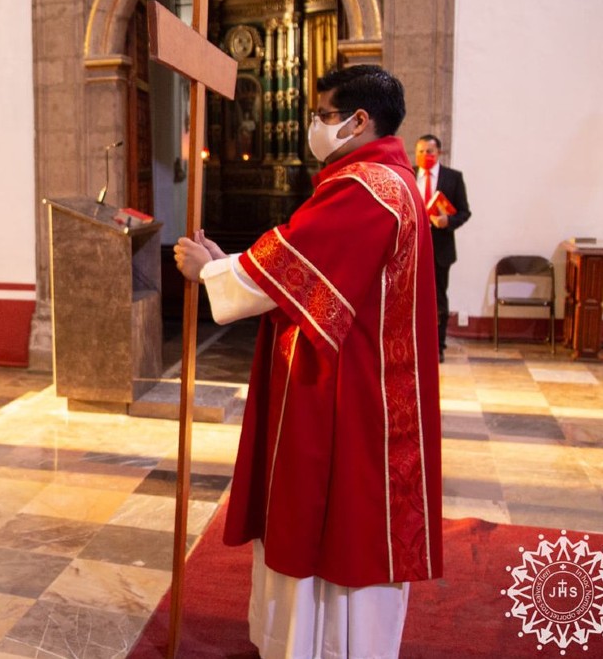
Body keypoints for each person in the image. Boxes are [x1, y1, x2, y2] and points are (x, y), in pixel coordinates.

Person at [174, 65, 442, 659]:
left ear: (359, 120)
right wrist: (233, 261)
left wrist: (210, 271)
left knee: (336, 513)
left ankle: (323, 648)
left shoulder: (367, 187)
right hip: (366, 371)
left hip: (348, 387)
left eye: (324, 115)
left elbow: (301, 261)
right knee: (345, 511)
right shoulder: (390, 181)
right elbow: (306, 256)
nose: (316, 127)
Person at [415, 134, 471, 362]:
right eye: (420, 151)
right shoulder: (408, 174)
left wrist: (448, 222)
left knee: (437, 299)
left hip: (440, 248)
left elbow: (464, 212)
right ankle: (413, 344)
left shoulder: (452, 178)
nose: (424, 156)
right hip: (414, 245)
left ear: (438, 153)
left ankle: (437, 347)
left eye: (429, 151)